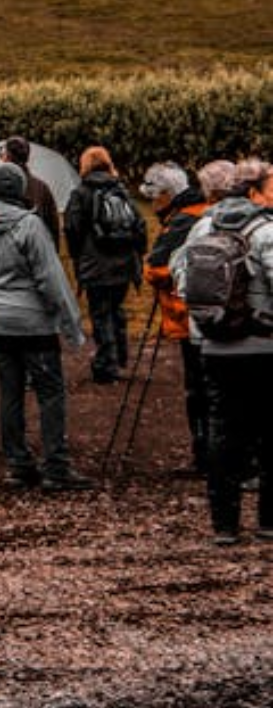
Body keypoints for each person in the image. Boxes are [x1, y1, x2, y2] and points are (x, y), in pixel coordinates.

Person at [0, 160, 93, 490]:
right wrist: (71, 326)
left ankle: (18, 463)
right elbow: (51, 279)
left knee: (9, 393)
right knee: (50, 393)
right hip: (32, 323)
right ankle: (56, 465)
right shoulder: (30, 226)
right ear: (21, 189)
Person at [174, 159, 273, 544]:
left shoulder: (203, 225)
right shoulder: (266, 230)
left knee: (222, 430)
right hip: (265, 344)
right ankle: (267, 520)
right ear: (252, 192)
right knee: (268, 431)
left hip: (214, 345)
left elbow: (182, 278)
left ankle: (224, 524)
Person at [143, 161, 213, 476]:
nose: (150, 202)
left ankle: (205, 457)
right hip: (206, 315)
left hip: (190, 317)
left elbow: (157, 268)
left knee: (199, 390)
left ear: (168, 195)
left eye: (153, 195)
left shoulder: (183, 221)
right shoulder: (201, 212)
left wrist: (154, 273)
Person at [60, 146, 144, 384]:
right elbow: (139, 225)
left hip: (95, 264)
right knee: (116, 309)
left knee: (100, 313)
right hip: (124, 264)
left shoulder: (81, 193)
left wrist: (79, 258)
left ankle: (106, 364)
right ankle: (119, 357)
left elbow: (72, 229)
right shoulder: (121, 191)